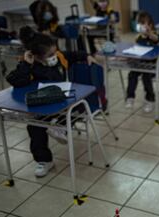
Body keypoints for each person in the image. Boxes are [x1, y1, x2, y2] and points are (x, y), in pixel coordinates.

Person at [6, 26, 97, 177]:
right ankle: (45, 161)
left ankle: (60, 127)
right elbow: (14, 80)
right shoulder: (31, 65)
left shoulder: (60, 57)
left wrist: (86, 55)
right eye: (50, 54)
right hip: (43, 104)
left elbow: (74, 54)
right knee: (34, 127)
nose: (55, 55)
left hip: (63, 102)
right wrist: (26, 64)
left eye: (55, 52)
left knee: (76, 109)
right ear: (36, 56)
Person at [125, 11, 159, 112]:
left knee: (146, 77)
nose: (144, 26)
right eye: (141, 23)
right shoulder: (138, 37)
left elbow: (156, 39)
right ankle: (130, 97)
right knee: (132, 74)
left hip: (151, 64)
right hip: (139, 63)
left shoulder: (154, 35)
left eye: (146, 23)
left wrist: (149, 33)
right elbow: (135, 49)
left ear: (151, 25)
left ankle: (150, 99)